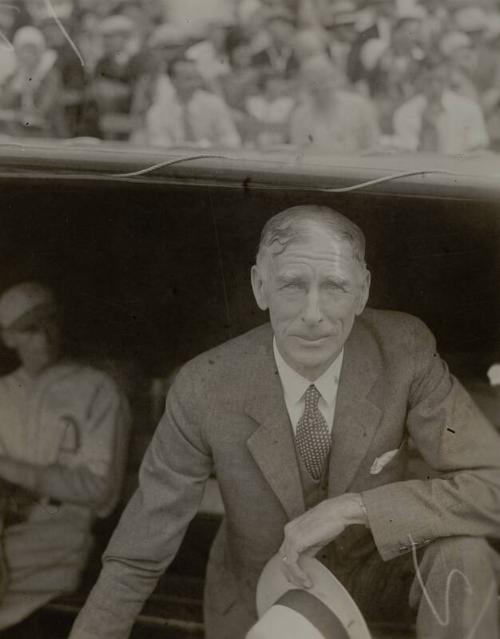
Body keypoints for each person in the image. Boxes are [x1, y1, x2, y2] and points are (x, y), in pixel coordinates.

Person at [69, 205, 500, 639]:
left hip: (384, 582)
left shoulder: (403, 351)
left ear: (363, 290)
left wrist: (356, 509)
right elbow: (139, 549)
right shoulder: (206, 384)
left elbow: (495, 484)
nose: (313, 314)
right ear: (260, 286)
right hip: (267, 596)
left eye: (334, 286)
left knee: (464, 554)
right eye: (293, 285)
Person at [0, 282, 130, 631]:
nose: (44, 337)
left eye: (50, 323)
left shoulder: (97, 388)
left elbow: (101, 490)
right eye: (29, 329)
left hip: (61, 534)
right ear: (9, 338)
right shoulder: (3, 392)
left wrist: (12, 470)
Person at [392, 55, 489, 154]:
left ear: (448, 79)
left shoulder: (469, 109)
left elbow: (477, 152)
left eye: (440, 80)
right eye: (428, 80)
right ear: (419, 80)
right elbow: (407, 158)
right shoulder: (404, 113)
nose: (435, 87)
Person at [143, 56, 241, 148]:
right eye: (188, 79)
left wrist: (208, 147)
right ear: (172, 80)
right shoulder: (158, 111)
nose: (195, 84)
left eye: (196, 78)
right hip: (173, 163)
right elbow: (158, 146)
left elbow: (232, 139)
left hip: (211, 161)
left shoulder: (214, 103)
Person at [290, 56, 379, 153]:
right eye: (312, 82)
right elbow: (299, 155)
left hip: (356, 166)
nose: (319, 87)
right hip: (316, 167)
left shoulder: (360, 106)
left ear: (335, 78)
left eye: (323, 79)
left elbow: (373, 148)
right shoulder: (300, 116)